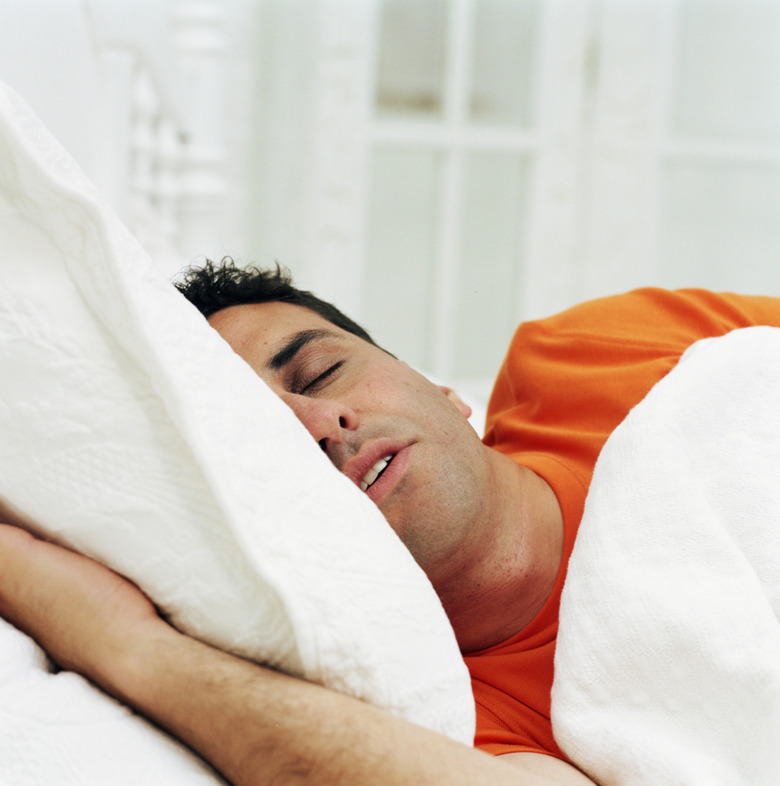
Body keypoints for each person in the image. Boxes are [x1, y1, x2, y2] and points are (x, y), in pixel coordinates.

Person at [2, 260, 780, 786]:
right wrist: (126, 644)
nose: (318, 423)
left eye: (318, 372)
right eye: (260, 439)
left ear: (439, 387)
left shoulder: (590, 353)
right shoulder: (437, 719)